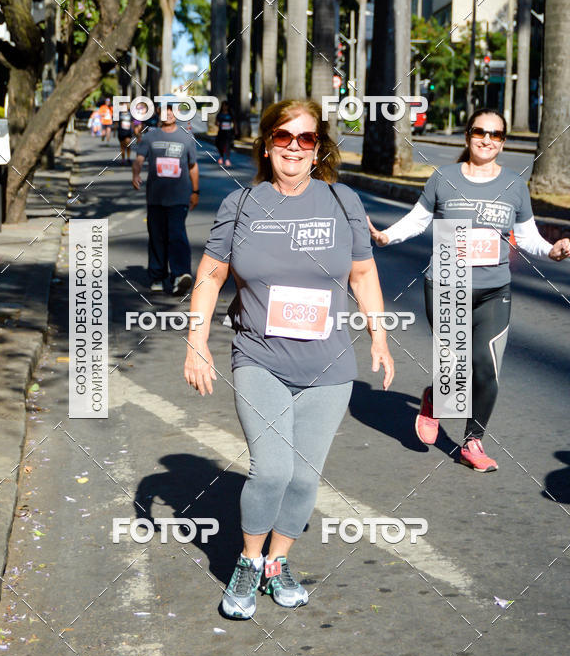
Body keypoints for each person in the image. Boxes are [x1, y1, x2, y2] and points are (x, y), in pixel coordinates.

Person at [183, 98, 394, 620]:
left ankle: (278, 563)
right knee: (272, 471)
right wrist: (196, 342)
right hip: (260, 356)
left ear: (319, 147)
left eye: (305, 138)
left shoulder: (344, 202)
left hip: (329, 365)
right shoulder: (242, 205)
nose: (294, 147)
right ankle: (249, 562)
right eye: (283, 137)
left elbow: (363, 276)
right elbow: (210, 277)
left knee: (304, 478)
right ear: (267, 143)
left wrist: (380, 337)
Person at [368, 107, 570, 472]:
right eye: (480, 132)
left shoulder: (514, 185)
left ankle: (473, 440)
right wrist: (386, 236)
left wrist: (553, 251)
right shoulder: (443, 178)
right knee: (455, 368)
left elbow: (529, 239)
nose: (487, 140)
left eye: (496, 135)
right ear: (468, 135)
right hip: (447, 284)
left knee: (487, 367)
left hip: (495, 289)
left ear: (503, 142)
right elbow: (417, 221)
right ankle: (436, 399)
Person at [132, 96, 199, 295]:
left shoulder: (186, 138)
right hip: (155, 197)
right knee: (157, 237)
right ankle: (157, 276)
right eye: (164, 109)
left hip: (179, 197)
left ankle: (180, 275)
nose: (168, 113)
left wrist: (195, 191)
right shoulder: (150, 137)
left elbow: (193, 167)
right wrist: (135, 174)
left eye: (172, 109)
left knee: (177, 234)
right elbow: (139, 159)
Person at [215, 100, 235, 167]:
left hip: (228, 132)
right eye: (224, 106)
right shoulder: (220, 114)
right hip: (221, 132)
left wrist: (235, 129)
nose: (225, 107)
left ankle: (227, 159)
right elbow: (216, 122)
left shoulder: (230, 114)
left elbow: (234, 122)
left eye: (226, 106)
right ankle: (221, 156)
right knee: (220, 145)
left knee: (228, 145)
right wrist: (218, 124)